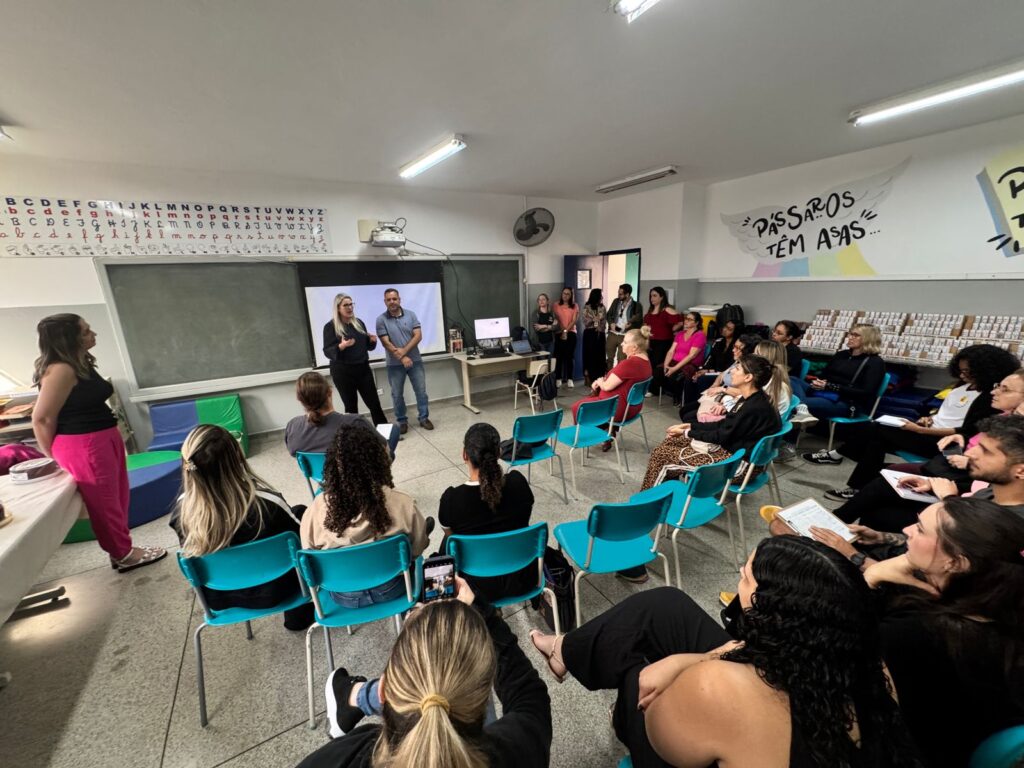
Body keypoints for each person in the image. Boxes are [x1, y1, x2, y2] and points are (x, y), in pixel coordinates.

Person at [527, 536, 920, 768]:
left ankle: (572, 658)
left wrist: (690, 663)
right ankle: (566, 650)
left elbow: (662, 731)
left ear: (774, 612)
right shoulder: (871, 666)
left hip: (675, 749)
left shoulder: (720, 688)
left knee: (636, 671)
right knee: (665, 604)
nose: (739, 578)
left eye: (745, 577)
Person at [296, 580, 552, 768]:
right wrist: (483, 614)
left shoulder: (352, 754)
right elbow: (529, 697)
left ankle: (354, 696)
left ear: (384, 691)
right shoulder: (517, 750)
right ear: (484, 701)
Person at [861, 497, 1024, 767]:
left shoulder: (915, 635)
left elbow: (836, 663)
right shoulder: (1003, 609)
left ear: (956, 563)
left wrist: (871, 578)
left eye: (921, 529)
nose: (907, 530)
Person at [31, 313, 166, 572]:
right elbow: (42, 418)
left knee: (117, 498)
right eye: (85, 331)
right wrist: (54, 456)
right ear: (68, 339)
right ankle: (123, 555)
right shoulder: (61, 369)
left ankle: (121, 549)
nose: (93, 334)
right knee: (104, 504)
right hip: (83, 444)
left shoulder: (80, 362)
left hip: (102, 438)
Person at [806, 344, 1020, 500]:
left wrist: (920, 430)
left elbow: (965, 431)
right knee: (875, 439)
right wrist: (929, 419)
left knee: (876, 429)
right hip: (930, 429)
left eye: (968, 371)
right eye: (961, 370)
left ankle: (840, 458)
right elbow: (948, 411)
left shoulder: (988, 397)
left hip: (944, 442)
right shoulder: (963, 387)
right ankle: (857, 486)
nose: (963, 375)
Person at [170, 424, 313, 629]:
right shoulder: (268, 504)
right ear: (238, 459)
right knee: (299, 515)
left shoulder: (180, 513)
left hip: (219, 598)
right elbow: (303, 545)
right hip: (280, 591)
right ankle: (297, 617)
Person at [794, 414, 1024, 535]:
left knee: (881, 505)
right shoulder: (994, 490)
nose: (971, 453)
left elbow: (967, 537)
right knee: (881, 500)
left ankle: (837, 528)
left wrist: (948, 499)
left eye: (984, 451)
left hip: (950, 526)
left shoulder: (1013, 520)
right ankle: (837, 527)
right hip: (952, 510)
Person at [300, 422, 429, 608]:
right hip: (394, 588)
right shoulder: (402, 503)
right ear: (378, 461)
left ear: (333, 466)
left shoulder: (315, 511)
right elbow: (417, 549)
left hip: (342, 594)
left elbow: (309, 558)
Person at [641, 354, 782, 489]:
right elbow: (724, 425)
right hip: (732, 452)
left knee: (661, 455)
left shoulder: (753, 408)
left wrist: (686, 433)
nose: (732, 371)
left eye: (737, 368)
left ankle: (647, 504)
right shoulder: (752, 399)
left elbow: (720, 436)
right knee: (670, 442)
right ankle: (667, 493)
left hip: (737, 465)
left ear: (748, 377)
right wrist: (691, 425)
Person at [438, 424, 534, 603]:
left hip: (474, 588)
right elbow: (523, 520)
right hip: (521, 577)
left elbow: (452, 539)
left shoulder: (451, 500)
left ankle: (443, 603)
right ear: (499, 453)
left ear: (464, 455)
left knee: (446, 545)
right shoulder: (518, 483)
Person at [571, 327, 654, 451]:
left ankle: (593, 435)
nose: (621, 344)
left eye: (625, 342)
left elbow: (607, 386)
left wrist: (600, 381)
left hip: (616, 409)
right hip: (633, 407)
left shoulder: (628, 364)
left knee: (578, 407)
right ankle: (607, 432)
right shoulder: (646, 360)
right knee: (593, 400)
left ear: (635, 347)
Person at [284, 372, 398, 460]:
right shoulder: (355, 422)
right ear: (330, 392)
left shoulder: (292, 426)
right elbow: (384, 450)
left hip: (325, 480)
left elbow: (293, 452)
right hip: (358, 479)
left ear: (299, 399)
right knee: (393, 430)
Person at [792, 323, 886, 422]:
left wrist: (831, 386)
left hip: (846, 402)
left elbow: (866, 393)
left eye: (856, 335)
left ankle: (801, 406)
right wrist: (819, 382)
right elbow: (825, 375)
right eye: (850, 334)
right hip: (824, 392)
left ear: (868, 339)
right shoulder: (842, 354)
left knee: (791, 403)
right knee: (791, 379)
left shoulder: (875, 362)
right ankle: (802, 407)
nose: (850, 337)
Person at [323, 293, 388, 425]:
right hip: (343, 372)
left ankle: (384, 433)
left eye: (351, 304)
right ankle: (355, 439)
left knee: (374, 403)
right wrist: (342, 346)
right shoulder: (330, 327)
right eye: (345, 305)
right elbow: (327, 351)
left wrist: (372, 341)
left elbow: (367, 347)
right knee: (351, 407)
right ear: (338, 308)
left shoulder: (359, 323)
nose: (349, 307)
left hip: (363, 369)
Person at [376, 288, 433, 434]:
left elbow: (418, 336)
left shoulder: (411, 315)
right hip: (394, 364)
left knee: (421, 392)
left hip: (415, 361)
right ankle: (402, 421)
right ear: (385, 302)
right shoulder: (381, 319)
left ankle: (423, 418)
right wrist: (402, 357)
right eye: (388, 300)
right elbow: (385, 343)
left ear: (399, 299)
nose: (392, 302)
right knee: (397, 394)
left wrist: (404, 352)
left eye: (394, 299)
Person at [678, 332, 762, 423]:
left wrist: (722, 389)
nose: (733, 350)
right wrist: (714, 386)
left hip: (727, 401)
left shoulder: (749, 369)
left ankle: (692, 432)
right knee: (684, 410)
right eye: (734, 346)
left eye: (738, 348)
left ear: (748, 351)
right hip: (721, 396)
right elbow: (723, 374)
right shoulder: (738, 361)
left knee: (688, 416)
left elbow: (746, 393)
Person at [682, 319, 737, 404]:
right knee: (691, 378)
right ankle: (689, 405)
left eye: (729, 329)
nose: (725, 330)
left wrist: (708, 371)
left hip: (724, 374)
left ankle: (700, 404)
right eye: (725, 327)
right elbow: (710, 358)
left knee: (703, 379)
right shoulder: (719, 341)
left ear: (736, 332)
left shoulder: (736, 347)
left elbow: (729, 368)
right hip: (712, 371)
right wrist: (703, 370)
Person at [661, 311, 706, 407]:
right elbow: (671, 351)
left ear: (697, 323)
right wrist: (666, 365)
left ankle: (678, 397)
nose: (686, 321)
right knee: (658, 371)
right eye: (686, 318)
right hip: (675, 361)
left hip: (690, 364)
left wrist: (674, 368)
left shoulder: (700, 335)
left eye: (690, 319)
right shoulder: (680, 334)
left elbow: (691, 356)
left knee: (676, 376)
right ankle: (673, 393)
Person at [643, 286, 679, 397]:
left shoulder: (666, 310)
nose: (652, 298)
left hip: (664, 343)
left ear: (661, 297)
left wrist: (671, 330)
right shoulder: (650, 312)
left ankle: (655, 389)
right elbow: (646, 327)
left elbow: (680, 322)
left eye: (655, 296)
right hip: (652, 342)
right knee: (649, 365)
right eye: (651, 296)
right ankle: (648, 387)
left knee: (657, 365)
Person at [605, 283, 643, 370]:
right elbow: (609, 315)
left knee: (622, 360)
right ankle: (608, 377)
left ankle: (618, 379)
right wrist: (611, 323)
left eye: (621, 294)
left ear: (628, 294)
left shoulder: (636, 305)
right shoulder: (616, 301)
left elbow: (639, 321)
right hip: (613, 334)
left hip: (625, 336)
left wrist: (630, 325)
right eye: (618, 293)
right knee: (609, 358)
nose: (619, 295)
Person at [552, 286, 579, 388]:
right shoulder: (556, 305)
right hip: (559, 332)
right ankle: (558, 378)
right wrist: (563, 331)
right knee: (558, 356)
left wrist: (566, 331)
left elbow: (574, 320)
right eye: (564, 293)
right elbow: (557, 319)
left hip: (571, 332)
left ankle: (570, 379)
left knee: (569, 356)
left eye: (568, 294)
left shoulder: (575, 306)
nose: (565, 296)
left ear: (571, 295)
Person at [581, 288, 607, 385]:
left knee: (600, 355)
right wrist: (593, 320)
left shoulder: (602, 307)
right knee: (589, 355)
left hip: (600, 333)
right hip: (589, 333)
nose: (602, 297)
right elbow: (585, 321)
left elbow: (604, 321)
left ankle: (600, 377)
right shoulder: (587, 307)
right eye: (600, 295)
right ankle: (589, 377)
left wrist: (600, 327)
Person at [529, 293, 558, 357]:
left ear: (547, 301)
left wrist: (543, 326)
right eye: (539, 300)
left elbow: (556, 327)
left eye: (543, 299)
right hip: (540, 343)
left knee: (550, 361)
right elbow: (537, 329)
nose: (541, 301)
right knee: (542, 362)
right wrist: (551, 326)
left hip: (551, 342)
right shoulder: (535, 314)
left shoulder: (552, 313)